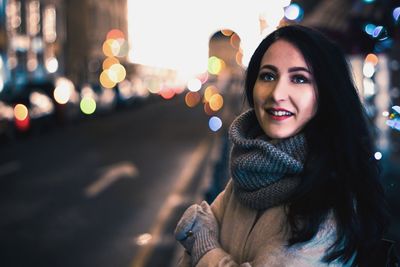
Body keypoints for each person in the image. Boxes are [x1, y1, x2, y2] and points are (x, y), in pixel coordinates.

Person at [174, 24, 390, 267]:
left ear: (326, 93)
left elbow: (198, 244)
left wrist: (204, 246)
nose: (277, 93)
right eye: (268, 76)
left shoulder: (330, 197)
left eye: (299, 78)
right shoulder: (248, 172)